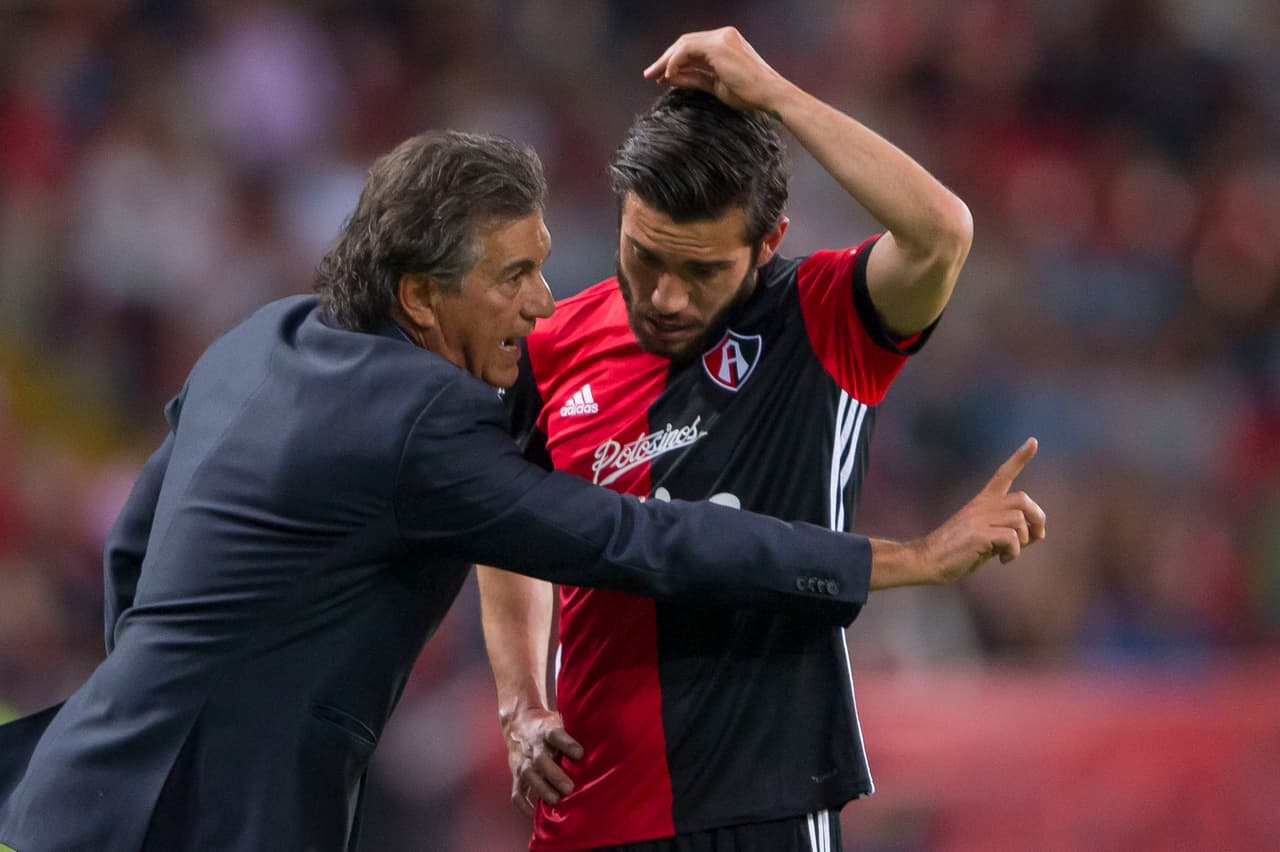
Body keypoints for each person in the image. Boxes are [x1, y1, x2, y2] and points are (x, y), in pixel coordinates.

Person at [0, 128, 1041, 852]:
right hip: (224, 815)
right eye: (512, 276)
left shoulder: (257, 340)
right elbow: (628, 539)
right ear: (420, 296)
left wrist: (165, 687)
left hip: (76, 784)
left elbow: (134, 543)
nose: (542, 303)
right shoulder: (427, 420)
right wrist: (904, 560)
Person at [478, 27, 1019, 852]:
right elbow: (509, 528)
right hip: (589, 802)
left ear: (768, 243)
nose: (665, 296)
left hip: (763, 801)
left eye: (701, 271)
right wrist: (520, 703)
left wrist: (776, 94)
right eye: (644, 256)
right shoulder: (552, 347)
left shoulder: (825, 319)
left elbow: (942, 231)